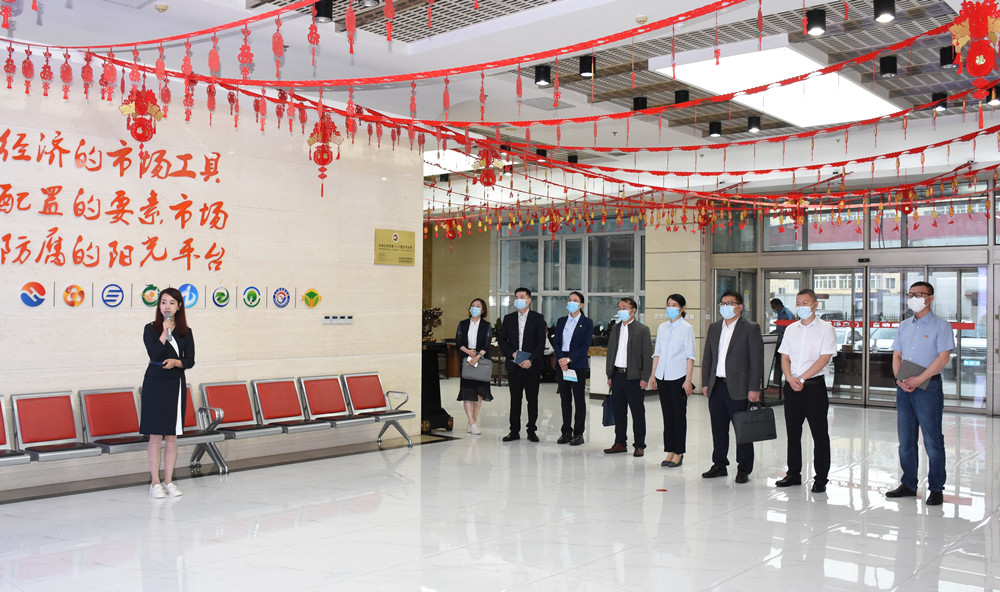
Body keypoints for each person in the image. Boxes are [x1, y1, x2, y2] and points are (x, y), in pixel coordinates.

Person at [886, 281, 954, 506]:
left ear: (930, 298)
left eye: (919, 294)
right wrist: (898, 379)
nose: (914, 298)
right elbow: (897, 355)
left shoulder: (942, 326)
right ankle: (908, 484)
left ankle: (936, 488)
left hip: (928, 388)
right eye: (911, 294)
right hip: (904, 387)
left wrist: (920, 379)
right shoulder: (904, 325)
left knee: (932, 440)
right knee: (906, 439)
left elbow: (943, 358)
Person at [775, 289, 837, 493]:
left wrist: (802, 378)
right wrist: (789, 378)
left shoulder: (826, 329)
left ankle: (821, 478)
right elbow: (784, 356)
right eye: (798, 303)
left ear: (815, 305)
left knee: (820, 435)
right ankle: (793, 474)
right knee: (793, 434)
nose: (801, 306)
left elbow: (824, 358)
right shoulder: (791, 329)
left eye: (805, 302)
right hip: (792, 386)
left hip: (814, 387)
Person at [701, 290, 764, 484]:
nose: (725, 307)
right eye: (723, 303)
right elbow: (708, 357)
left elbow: (756, 361)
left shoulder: (750, 328)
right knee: (718, 429)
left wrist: (754, 388)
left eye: (730, 303)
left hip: (740, 388)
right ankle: (719, 464)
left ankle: (744, 468)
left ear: (740, 307)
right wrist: (705, 382)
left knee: (742, 431)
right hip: (717, 386)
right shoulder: (714, 328)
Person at [140, 288, 195, 499]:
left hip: (175, 383)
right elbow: (154, 354)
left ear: (179, 306)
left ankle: (169, 481)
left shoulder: (186, 332)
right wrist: (164, 332)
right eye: (163, 302)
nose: (167, 307)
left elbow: (190, 360)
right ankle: (155, 483)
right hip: (155, 382)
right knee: (155, 435)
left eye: (172, 303)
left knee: (171, 435)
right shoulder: (150, 329)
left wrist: (176, 362)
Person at [649, 294, 696, 468]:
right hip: (662, 376)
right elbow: (657, 353)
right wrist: (653, 375)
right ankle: (670, 450)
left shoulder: (687, 328)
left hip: (679, 377)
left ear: (682, 308)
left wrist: (688, 380)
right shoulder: (662, 327)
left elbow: (690, 356)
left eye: (674, 305)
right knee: (667, 416)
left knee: (678, 416)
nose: (670, 308)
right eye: (668, 304)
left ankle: (679, 452)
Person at [604, 297, 653, 457]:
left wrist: (645, 378)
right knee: (619, 411)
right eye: (619, 308)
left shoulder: (642, 329)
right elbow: (611, 353)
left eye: (624, 307)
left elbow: (647, 356)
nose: (620, 310)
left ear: (633, 310)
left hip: (634, 377)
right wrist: (609, 374)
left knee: (637, 412)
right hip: (617, 375)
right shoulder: (616, 329)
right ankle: (620, 442)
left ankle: (639, 445)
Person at [498, 287, 547, 442]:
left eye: (522, 297)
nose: (518, 300)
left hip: (532, 366)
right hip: (514, 366)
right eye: (516, 297)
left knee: (532, 400)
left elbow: (540, 343)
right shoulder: (509, 318)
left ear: (529, 300)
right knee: (515, 400)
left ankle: (531, 430)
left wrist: (530, 360)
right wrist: (513, 354)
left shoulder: (538, 318)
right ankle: (514, 431)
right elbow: (501, 340)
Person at [551, 291, 594, 446]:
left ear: (581, 305)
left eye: (575, 300)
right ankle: (566, 432)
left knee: (579, 399)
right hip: (562, 362)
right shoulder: (561, 320)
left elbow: (585, 346)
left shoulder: (587, 322)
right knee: (565, 399)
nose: (571, 302)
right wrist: (561, 358)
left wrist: (569, 359)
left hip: (577, 363)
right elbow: (556, 341)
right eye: (570, 300)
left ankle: (579, 433)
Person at [456, 298, 493, 435]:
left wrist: (477, 356)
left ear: (483, 310)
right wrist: (468, 352)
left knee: (479, 393)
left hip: (481, 359)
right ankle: (471, 422)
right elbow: (458, 341)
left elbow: (487, 344)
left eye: (478, 306)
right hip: (466, 358)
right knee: (467, 391)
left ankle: (473, 422)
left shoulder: (486, 325)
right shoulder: (463, 324)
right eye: (473, 305)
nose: (475, 308)